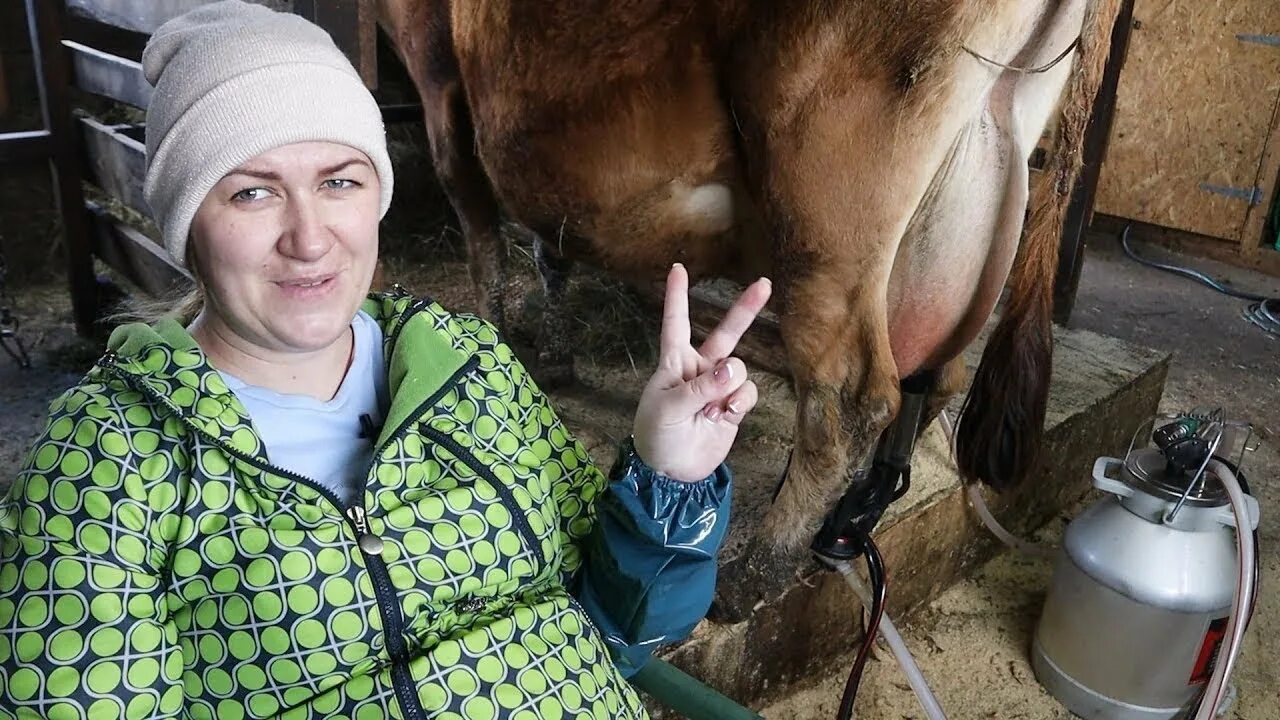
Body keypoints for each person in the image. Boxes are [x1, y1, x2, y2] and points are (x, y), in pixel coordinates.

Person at [0, 2, 771, 719]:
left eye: (339, 181)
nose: (308, 237)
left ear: (377, 196)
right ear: (185, 223)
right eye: (251, 194)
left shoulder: (465, 363)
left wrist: (668, 477)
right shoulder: (109, 458)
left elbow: (617, 631)